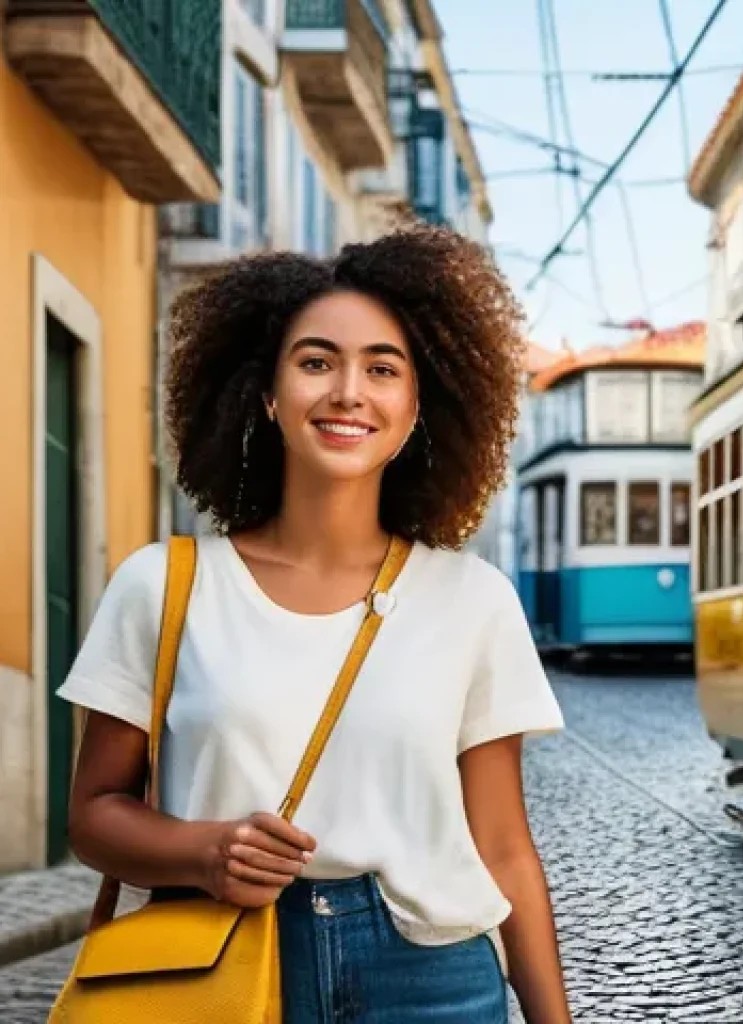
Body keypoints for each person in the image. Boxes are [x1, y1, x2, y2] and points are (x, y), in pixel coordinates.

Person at [58, 225, 573, 1023]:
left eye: (382, 368)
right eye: (316, 361)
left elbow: (504, 847)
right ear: (268, 394)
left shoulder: (474, 600)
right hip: (216, 966)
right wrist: (204, 851)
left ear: (414, 408)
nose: (347, 392)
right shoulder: (163, 586)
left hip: (431, 981)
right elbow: (93, 814)